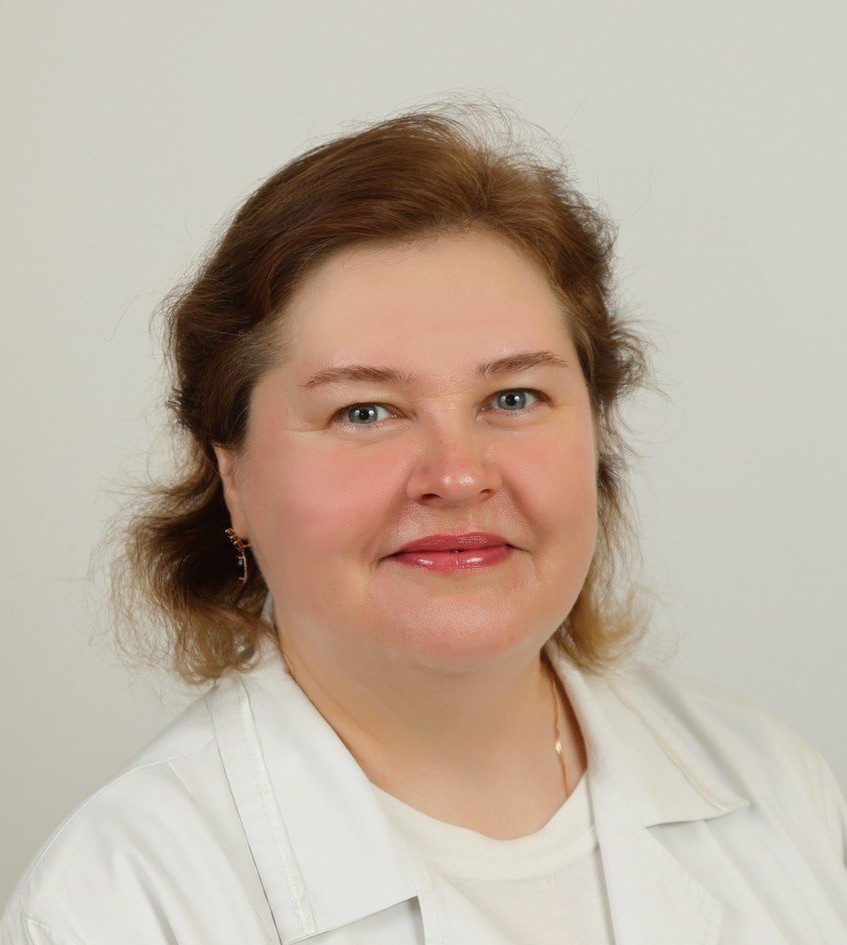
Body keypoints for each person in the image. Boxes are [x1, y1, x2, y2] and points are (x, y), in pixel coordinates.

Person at [2, 105, 846, 945]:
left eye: (513, 397)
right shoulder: (116, 903)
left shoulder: (777, 786)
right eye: (364, 410)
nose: (457, 474)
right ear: (235, 481)